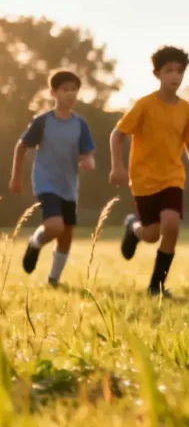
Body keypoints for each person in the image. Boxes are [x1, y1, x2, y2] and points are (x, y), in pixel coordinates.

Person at [109, 46, 189, 297]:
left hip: (173, 177)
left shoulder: (185, 109)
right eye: (169, 70)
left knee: (171, 225)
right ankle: (134, 228)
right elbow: (117, 134)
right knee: (151, 234)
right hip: (143, 179)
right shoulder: (144, 105)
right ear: (157, 74)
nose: (175, 76)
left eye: (179, 71)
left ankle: (156, 286)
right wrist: (117, 166)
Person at [8, 70, 95, 287]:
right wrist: (15, 177)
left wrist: (88, 162)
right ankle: (35, 242)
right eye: (65, 89)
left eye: (74, 89)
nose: (70, 94)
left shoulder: (80, 124)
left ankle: (53, 280)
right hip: (46, 183)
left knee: (66, 235)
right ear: (53, 93)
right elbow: (22, 146)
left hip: (69, 186)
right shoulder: (42, 121)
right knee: (55, 226)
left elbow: (87, 152)